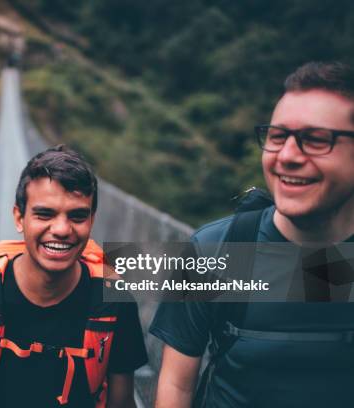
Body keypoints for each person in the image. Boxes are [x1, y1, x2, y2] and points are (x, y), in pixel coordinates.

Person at [149, 61, 354, 407]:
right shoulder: (212, 253)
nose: (287, 156)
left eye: (315, 140)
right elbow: (176, 386)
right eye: (277, 137)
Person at [0, 145, 148, 407]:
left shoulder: (114, 304)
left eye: (77, 216)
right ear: (19, 218)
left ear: (92, 221)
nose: (61, 229)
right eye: (44, 214)